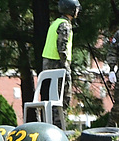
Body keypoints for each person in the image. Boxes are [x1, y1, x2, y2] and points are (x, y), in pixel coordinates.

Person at [40, 0, 79, 130]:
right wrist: (66, 67)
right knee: (63, 98)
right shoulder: (65, 25)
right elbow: (62, 47)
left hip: (48, 66)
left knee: (51, 97)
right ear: (71, 10)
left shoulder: (55, 23)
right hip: (58, 65)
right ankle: (59, 128)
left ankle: (51, 126)